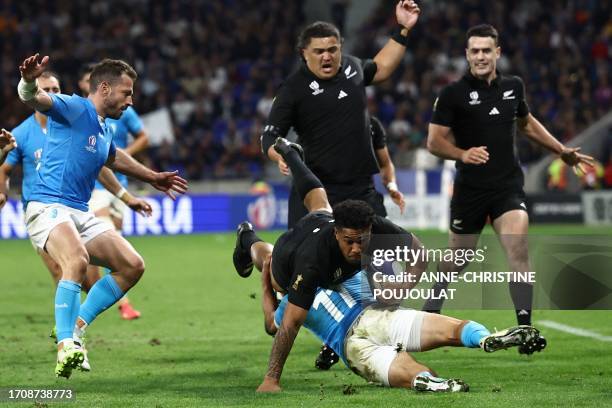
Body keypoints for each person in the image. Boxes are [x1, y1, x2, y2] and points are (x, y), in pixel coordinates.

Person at [17, 54, 188, 378]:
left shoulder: (101, 126)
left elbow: (110, 158)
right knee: (77, 260)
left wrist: (147, 180)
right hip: (46, 205)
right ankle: (67, 345)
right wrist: (27, 80)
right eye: (127, 92)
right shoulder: (74, 107)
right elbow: (33, 98)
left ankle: (75, 326)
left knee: (132, 265)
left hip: (77, 211)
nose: (131, 100)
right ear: (105, 88)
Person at [425, 24, 594, 325]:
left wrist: (560, 150)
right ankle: (433, 302)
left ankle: (525, 326)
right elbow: (434, 142)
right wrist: (462, 154)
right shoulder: (452, 94)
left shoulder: (513, 86)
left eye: (486, 50)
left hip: (507, 187)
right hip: (470, 190)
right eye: (474, 51)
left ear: (497, 53)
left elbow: (526, 124)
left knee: (518, 248)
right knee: (458, 258)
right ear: (467, 54)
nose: (480, 56)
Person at [233, 137, 425, 392]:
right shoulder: (311, 264)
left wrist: (402, 287)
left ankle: (291, 154)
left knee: (320, 202)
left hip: (321, 220)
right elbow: (288, 324)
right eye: (350, 242)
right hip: (289, 254)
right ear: (337, 235)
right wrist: (271, 379)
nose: (357, 248)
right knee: (267, 260)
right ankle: (247, 238)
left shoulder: (373, 226)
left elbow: (419, 254)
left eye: (362, 241)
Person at [260, 265, 546, 392]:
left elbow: (271, 326)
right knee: (452, 330)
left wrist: (265, 285)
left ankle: (425, 382)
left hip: (352, 349)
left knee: (418, 371)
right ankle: (485, 338)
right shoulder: (329, 269)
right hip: (375, 318)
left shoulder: (287, 307)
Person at [260, 0, 420, 228]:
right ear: (304, 53)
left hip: (361, 188)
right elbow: (269, 136)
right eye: (319, 51)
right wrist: (279, 156)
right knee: (305, 259)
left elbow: (381, 67)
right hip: (317, 190)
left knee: (380, 257)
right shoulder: (292, 89)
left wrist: (402, 30)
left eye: (332, 50)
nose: (327, 56)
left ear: (340, 48)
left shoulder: (353, 68)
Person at [0, 71, 150, 296]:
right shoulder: (22, 133)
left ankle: (72, 322)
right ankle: (66, 327)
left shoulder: (74, 123)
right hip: (41, 209)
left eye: (55, 89)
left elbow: (100, 166)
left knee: (86, 276)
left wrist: (127, 197)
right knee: (61, 268)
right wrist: (3, 192)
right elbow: (5, 169)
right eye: (46, 89)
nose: (51, 93)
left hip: (75, 208)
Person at [314, 115, 405, 371]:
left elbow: (385, 163)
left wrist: (392, 185)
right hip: (334, 211)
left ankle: (386, 336)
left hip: (368, 208)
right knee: (336, 281)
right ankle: (336, 341)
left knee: (384, 276)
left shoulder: (371, 124)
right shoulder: (316, 122)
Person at [79, 63, 150, 320]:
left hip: (119, 181)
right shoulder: (82, 115)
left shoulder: (121, 115)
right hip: (95, 186)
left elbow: (144, 137)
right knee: (108, 234)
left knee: (114, 237)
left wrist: (124, 158)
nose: (129, 99)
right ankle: (122, 304)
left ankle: (96, 295)